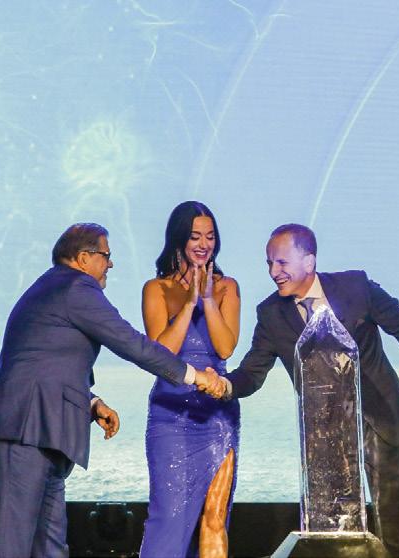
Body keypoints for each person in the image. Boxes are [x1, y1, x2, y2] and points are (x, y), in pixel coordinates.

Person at [0, 223, 225, 558]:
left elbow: (45, 361)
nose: (111, 263)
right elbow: (130, 342)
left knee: (50, 547)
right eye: (106, 255)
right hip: (25, 430)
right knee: (13, 546)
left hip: (41, 430)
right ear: (83, 258)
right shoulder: (76, 287)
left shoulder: (54, 288)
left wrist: (91, 403)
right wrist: (194, 376)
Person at [221, 223, 399, 558]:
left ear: (308, 261)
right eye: (269, 263)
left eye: (281, 262)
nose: (273, 272)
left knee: (394, 521)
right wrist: (225, 385)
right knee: (334, 528)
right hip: (324, 436)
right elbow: (252, 372)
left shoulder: (355, 286)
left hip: (379, 417)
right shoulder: (270, 314)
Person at [139, 202, 241, 558]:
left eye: (210, 237)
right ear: (179, 239)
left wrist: (208, 301)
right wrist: (189, 304)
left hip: (216, 415)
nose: (204, 244)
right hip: (171, 414)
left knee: (215, 515)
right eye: (195, 236)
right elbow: (161, 353)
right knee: (169, 516)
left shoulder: (228, 287)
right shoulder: (156, 288)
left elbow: (225, 347)